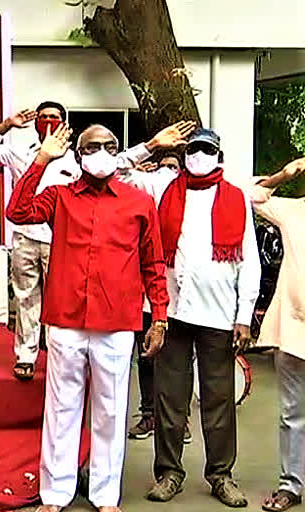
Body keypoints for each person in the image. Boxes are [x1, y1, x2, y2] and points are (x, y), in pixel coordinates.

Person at [6, 123, 169, 512]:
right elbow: (17, 211)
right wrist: (42, 158)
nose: (101, 152)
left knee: (111, 412)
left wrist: (159, 317)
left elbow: (153, 263)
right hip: (66, 319)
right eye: (91, 147)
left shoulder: (138, 201)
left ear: (118, 152)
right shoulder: (60, 197)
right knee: (62, 409)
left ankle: (104, 494)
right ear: (78, 156)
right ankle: (56, 493)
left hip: (116, 322)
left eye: (109, 146)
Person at [120, 126, 261, 507]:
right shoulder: (162, 187)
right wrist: (150, 146)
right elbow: (116, 173)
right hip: (171, 312)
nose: (198, 156)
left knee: (218, 399)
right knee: (170, 398)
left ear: (218, 156)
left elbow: (249, 261)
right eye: (193, 149)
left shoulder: (236, 198)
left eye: (206, 150)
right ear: (183, 155)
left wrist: (243, 315)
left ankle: (220, 474)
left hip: (219, 315)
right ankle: (169, 473)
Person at [0, 102, 80, 380]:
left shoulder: (75, 160)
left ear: (64, 123)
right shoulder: (21, 153)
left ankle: (58, 359)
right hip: (24, 236)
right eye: (44, 116)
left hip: (59, 239)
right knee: (26, 298)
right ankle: (26, 356)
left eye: (54, 117)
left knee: (58, 300)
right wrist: (7, 125)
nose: (48, 121)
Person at [249, 157, 305, 512]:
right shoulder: (293, 211)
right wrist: (283, 175)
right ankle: (291, 484)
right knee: (292, 413)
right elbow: (252, 196)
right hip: (293, 329)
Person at [127, 151, 193, 445]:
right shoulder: (144, 194)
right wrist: (137, 167)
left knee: (178, 361)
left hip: (180, 297)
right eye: (162, 166)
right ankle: (149, 413)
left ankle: (181, 420)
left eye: (173, 167)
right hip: (145, 291)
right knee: (146, 357)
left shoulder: (190, 200)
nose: (167, 171)